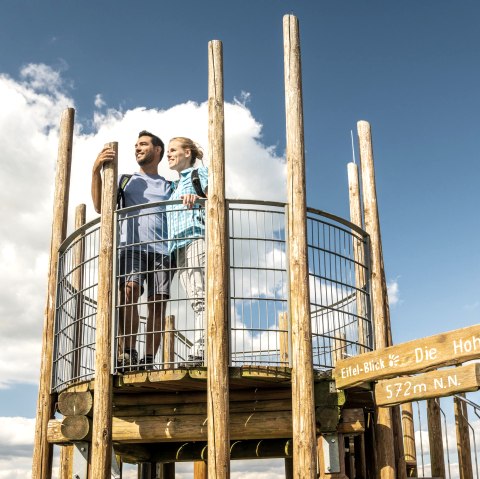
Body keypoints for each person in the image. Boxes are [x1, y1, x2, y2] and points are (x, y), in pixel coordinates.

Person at [91, 130, 171, 371]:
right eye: (136, 145)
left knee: (157, 304)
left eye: (143, 144)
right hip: (131, 247)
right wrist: (95, 170)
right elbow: (99, 207)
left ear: (157, 150)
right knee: (129, 291)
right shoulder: (126, 180)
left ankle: (148, 359)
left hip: (163, 252)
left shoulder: (170, 185)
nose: (137, 148)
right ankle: (128, 351)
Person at [166, 137, 208, 365]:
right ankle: (201, 348)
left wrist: (199, 199)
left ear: (187, 153)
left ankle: (200, 351)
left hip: (195, 239)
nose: (169, 155)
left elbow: (217, 200)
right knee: (195, 298)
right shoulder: (173, 186)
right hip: (178, 247)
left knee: (200, 298)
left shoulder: (200, 175)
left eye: (173, 150)